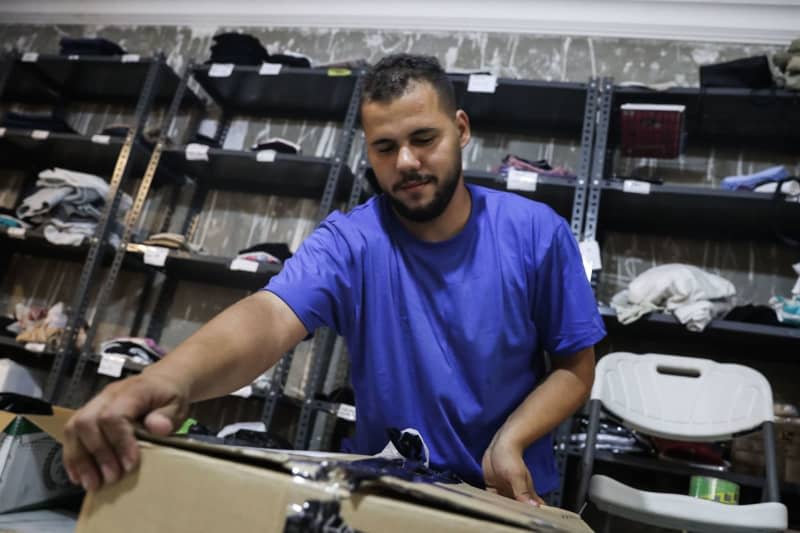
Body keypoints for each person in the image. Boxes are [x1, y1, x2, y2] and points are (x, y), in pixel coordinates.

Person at [63, 53, 605, 505]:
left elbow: (576, 368)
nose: (407, 162)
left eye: (424, 138)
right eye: (385, 147)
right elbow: (269, 317)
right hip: (392, 491)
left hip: (507, 492)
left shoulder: (535, 233)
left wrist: (511, 439)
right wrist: (166, 380)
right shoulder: (352, 240)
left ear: (461, 130)